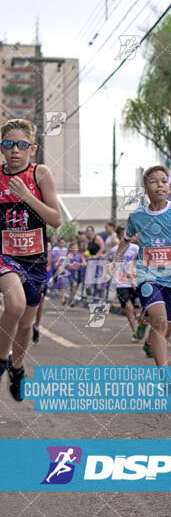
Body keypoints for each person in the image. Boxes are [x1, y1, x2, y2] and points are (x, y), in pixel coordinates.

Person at [112, 165, 171, 366]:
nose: (159, 185)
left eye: (164, 181)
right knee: (160, 322)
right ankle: (164, 375)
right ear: (145, 188)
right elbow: (126, 239)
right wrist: (116, 259)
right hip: (148, 276)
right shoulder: (137, 216)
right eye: (153, 181)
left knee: (167, 328)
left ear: (169, 187)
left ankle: (150, 342)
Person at [0, 119, 61, 400]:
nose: (15, 150)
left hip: (34, 259)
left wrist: (26, 196)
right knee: (15, 304)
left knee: (25, 325)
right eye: (8, 144)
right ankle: (2, 360)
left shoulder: (40, 174)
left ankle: (17, 367)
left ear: (32, 148)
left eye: (21, 145)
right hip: (5, 256)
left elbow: (56, 220)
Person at [110, 226, 140, 342]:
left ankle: (139, 328)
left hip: (135, 281)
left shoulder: (135, 248)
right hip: (121, 283)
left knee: (138, 309)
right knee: (128, 307)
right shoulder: (115, 250)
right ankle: (135, 332)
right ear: (118, 236)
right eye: (122, 235)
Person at [32, 241, 52, 343]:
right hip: (29, 273)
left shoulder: (47, 244)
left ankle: (36, 327)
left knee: (39, 304)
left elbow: (49, 262)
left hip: (42, 276)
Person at [67, 241, 86, 306]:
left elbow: (84, 263)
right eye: (73, 248)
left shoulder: (80, 255)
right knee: (74, 285)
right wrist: (71, 265)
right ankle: (72, 300)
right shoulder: (69, 255)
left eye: (76, 248)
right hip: (71, 273)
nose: (75, 249)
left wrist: (79, 264)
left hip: (78, 273)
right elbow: (66, 264)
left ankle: (71, 298)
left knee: (75, 287)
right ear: (71, 249)